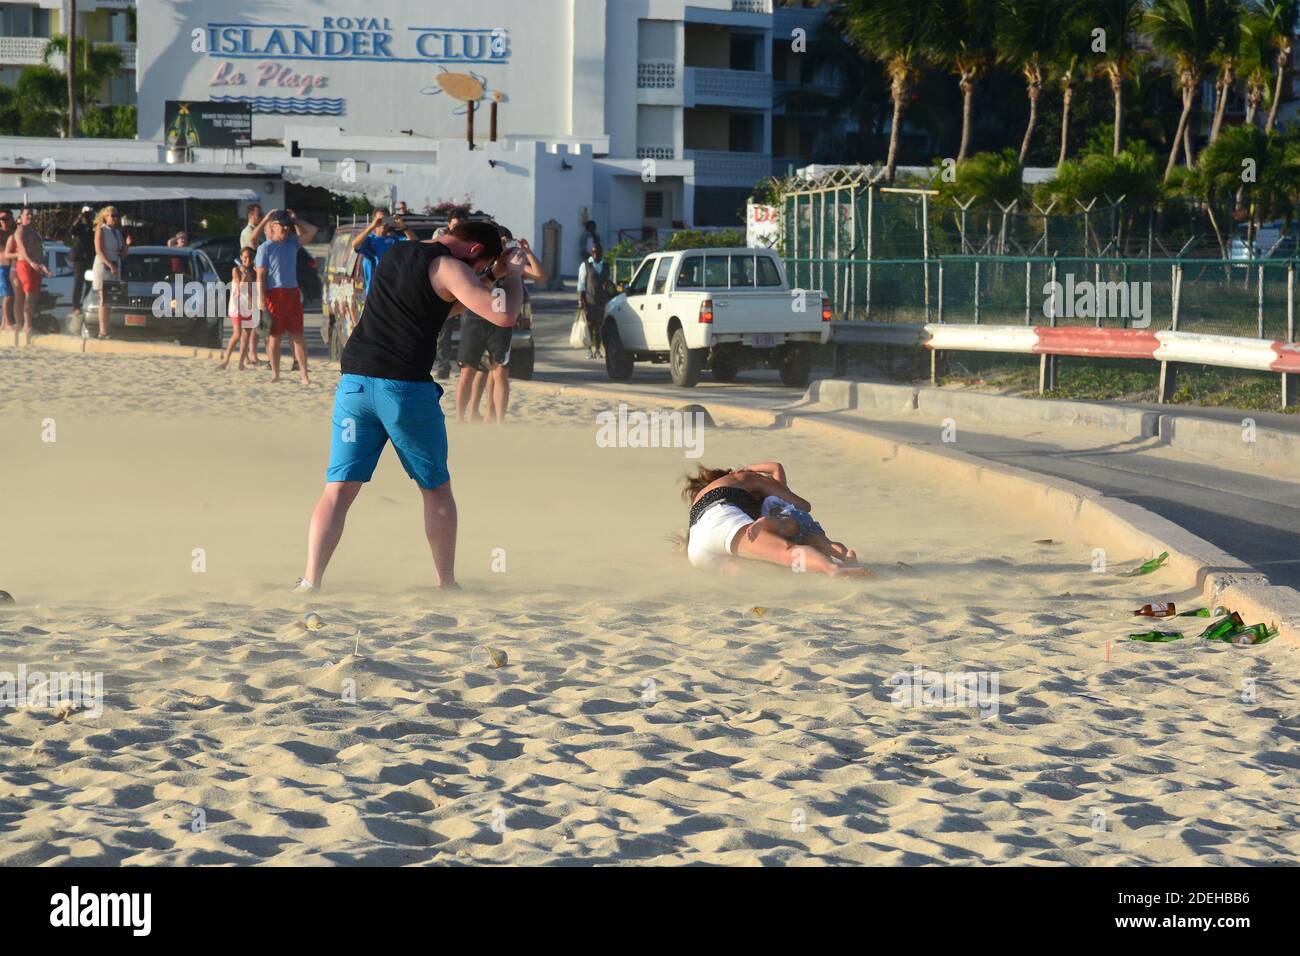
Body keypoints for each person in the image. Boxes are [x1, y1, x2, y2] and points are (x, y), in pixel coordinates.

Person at [295, 221, 528, 592]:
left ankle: (310, 580)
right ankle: (446, 583)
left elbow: (443, 306)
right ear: (472, 250)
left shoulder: (397, 252)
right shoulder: (451, 267)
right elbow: (504, 315)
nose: (479, 272)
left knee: (337, 490)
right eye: (480, 265)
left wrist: (488, 276)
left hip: (354, 383)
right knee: (435, 489)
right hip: (403, 390)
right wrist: (512, 277)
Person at [682, 462, 868, 578]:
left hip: (697, 550)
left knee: (759, 575)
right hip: (722, 520)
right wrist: (753, 472)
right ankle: (832, 570)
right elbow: (803, 505)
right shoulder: (741, 477)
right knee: (786, 552)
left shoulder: (705, 493)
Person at [461, 231, 546, 423]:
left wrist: (528, 253)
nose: (504, 245)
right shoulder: (484, 262)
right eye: (500, 242)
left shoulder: (512, 265)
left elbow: (541, 276)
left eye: (506, 242)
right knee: (479, 371)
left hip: (501, 323)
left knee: (496, 370)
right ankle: (474, 410)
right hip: (480, 321)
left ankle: (491, 414)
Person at [253, 208, 318, 384]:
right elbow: (260, 276)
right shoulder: (265, 248)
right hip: (274, 295)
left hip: (293, 293)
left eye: (287, 226)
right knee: (274, 337)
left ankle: (304, 375)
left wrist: (295, 220)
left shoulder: (292, 243)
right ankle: (276, 374)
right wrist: (261, 301)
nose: (286, 229)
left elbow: (312, 231)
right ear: (273, 226)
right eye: (282, 225)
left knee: (298, 336)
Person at [433, 205, 472, 379]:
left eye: (461, 225)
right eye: (454, 225)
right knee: (443, 331)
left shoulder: (471, 239)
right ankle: (443, 367)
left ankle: (466, 365)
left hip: (465, 288)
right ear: (449, 224)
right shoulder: (441, 236)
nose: (457, 229)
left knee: (469, 328)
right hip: (446, 289)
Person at [351, 208, 416, 295]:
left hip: (392, 292)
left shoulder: (395, 240)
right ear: (374, 221)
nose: (383, 223)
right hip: (373, 293)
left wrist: (403, 227)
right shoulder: (369, 240)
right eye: (380, 220)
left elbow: (415, 243)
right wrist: (371, 227)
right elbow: (355, 244)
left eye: (386, 219)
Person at [10, 208, 51, 345]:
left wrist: (43, 265)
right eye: (27, 214)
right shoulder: (20, 230)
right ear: (20, 217)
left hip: (36, 266)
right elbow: (22, 248)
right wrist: (31, 262)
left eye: (31, 215)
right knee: (28, 295)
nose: (30, 217)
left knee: (33, 296)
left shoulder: (34, 232)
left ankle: (28, 325)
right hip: (25, 265)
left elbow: (40, 250)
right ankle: (27, 326)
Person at [218, 247, 258, 370]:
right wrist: (245, 275)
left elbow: (253, 292)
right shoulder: (236, 270)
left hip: (249, 306)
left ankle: (241, 363)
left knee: (246, 335)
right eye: (245, 257)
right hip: (236, 306)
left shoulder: (254, 272)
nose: (247, 260)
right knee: (237, 334)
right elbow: (241, 288)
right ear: (241, 257)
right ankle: (225, 361)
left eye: (250, 257)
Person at [91, 206, 124, 340]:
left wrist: (126, 247)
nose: (115, 218)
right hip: (103, 265)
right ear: (105, 217)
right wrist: (110, 264)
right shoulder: (101, 230)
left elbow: (122, 251)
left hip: (115, 264)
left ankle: (106, 330)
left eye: (116, 215)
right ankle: (103, 331)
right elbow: (99, 251)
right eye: (112, 216)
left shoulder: (117, 232)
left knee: (110, 300)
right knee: (104, 299)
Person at [577, 241, 610, 359]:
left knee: (599, 326)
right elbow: (581, 284)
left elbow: (608, 280)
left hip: (601, 300)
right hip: (589, 300)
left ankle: (597, 350)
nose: (596, 254)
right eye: (594, 252)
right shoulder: (585, 265)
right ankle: (588, 350)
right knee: (590, 326)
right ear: (592, 253)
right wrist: (581, 299)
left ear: (601, 253)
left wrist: (607, 285)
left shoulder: (605, 266)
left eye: (598, 252)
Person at [66, 206, 94, 322]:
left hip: (90, 258)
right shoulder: (79, 227)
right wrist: (79, 216)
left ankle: (85, 302)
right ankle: (76, 306)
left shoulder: (94, 227)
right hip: (79, 258)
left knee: (90, 283)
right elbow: (72, 230)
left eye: (89, 214)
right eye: (86, 215)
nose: (87, 217)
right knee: (78, 282)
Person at [0, 210, 14, 333]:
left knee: (11, 296)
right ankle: (8, 323)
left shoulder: (13, 233)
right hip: (2, 267)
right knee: (8, 295)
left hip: (11, 267)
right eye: (2, 219)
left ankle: (4, 324)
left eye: (6, 219)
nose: (4, 221)